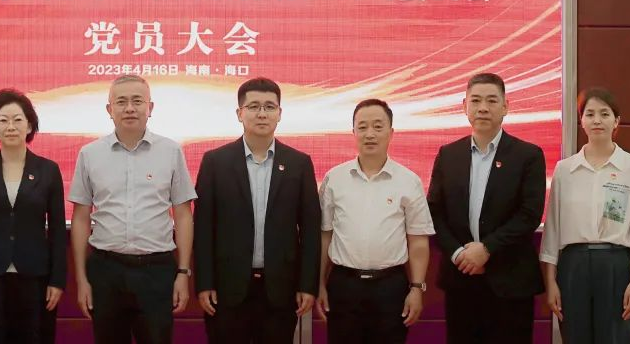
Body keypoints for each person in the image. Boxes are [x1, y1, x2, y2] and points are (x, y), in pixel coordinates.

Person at [69, 75, 196, 344]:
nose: (129, 108)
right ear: (109, 109)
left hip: (156, 271)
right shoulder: (90, 154)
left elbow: (184, 214)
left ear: (150, 107)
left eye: (137, 101)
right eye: (121, 102)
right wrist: (81, 279)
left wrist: (183, 273)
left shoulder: (171, 151)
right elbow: (80, 218)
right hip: (105, 270)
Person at [194, 77, 320, 344]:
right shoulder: (215, 162)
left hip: (280, 290)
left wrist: (307, 285)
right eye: (253, 106)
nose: (262, 113)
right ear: (239, 113)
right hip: (227, 289)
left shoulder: (299, 163)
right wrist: (204, 283)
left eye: (269, 107)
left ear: (279, 113)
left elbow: (310, 231)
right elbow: (203, 228)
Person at [426, 72, 546, 344]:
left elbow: (529, 215)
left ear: (505, 107)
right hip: (461, 280)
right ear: (464, 106)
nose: (483, 108)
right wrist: (459, 254)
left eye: (492, 101)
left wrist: (487, 249)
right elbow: (434, 212)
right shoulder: (448, 155)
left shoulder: (528, 155)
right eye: (476, 100)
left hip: (511, 282)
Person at [540, 87, 630, 343]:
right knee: (575, 336)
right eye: (590, 114)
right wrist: (551, 282)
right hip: (573, 265)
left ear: (616, 121)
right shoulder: (565, 170)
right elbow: (553, 228)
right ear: (581, 121)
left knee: (614, 337)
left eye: (604, 114)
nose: (597, 120)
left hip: (616, 265)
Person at [316, 99, 435, 343]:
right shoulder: (334, 178)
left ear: (391, 132)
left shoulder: (408, 181)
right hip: (344, 285)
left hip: (390, 287)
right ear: (353, 132)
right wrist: (319, 284)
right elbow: (325, 235)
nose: (370, 134)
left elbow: (418, 241)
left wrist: (417, 288)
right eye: (362, 127)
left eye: (378, 126)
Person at [0, 89, 67, 343]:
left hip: (36, 277)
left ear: (29, 125)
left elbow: (58, 231)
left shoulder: (48, 171)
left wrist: (57, 281)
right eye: (3, 120)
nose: (11, 127)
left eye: (18, 120)